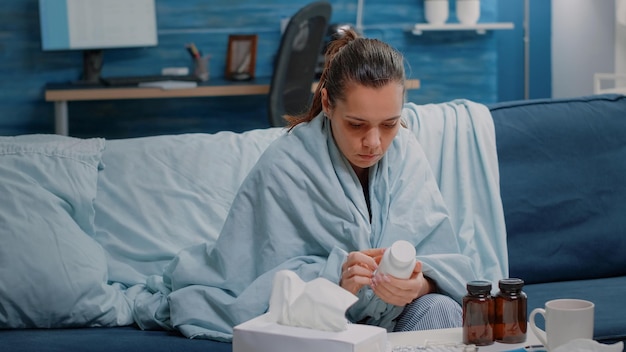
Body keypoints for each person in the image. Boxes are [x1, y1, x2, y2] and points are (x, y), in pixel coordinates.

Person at [140, 29, 485, 341]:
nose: (375, 143)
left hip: (397, 318)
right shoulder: (285, 165)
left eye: (390, 124)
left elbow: (443, 257)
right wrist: (335, 281)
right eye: (356, 124)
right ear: (327, 105)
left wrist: (419, 285)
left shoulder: (408, 152)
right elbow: (255, 277)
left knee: (441, 310)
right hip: (322, 319)